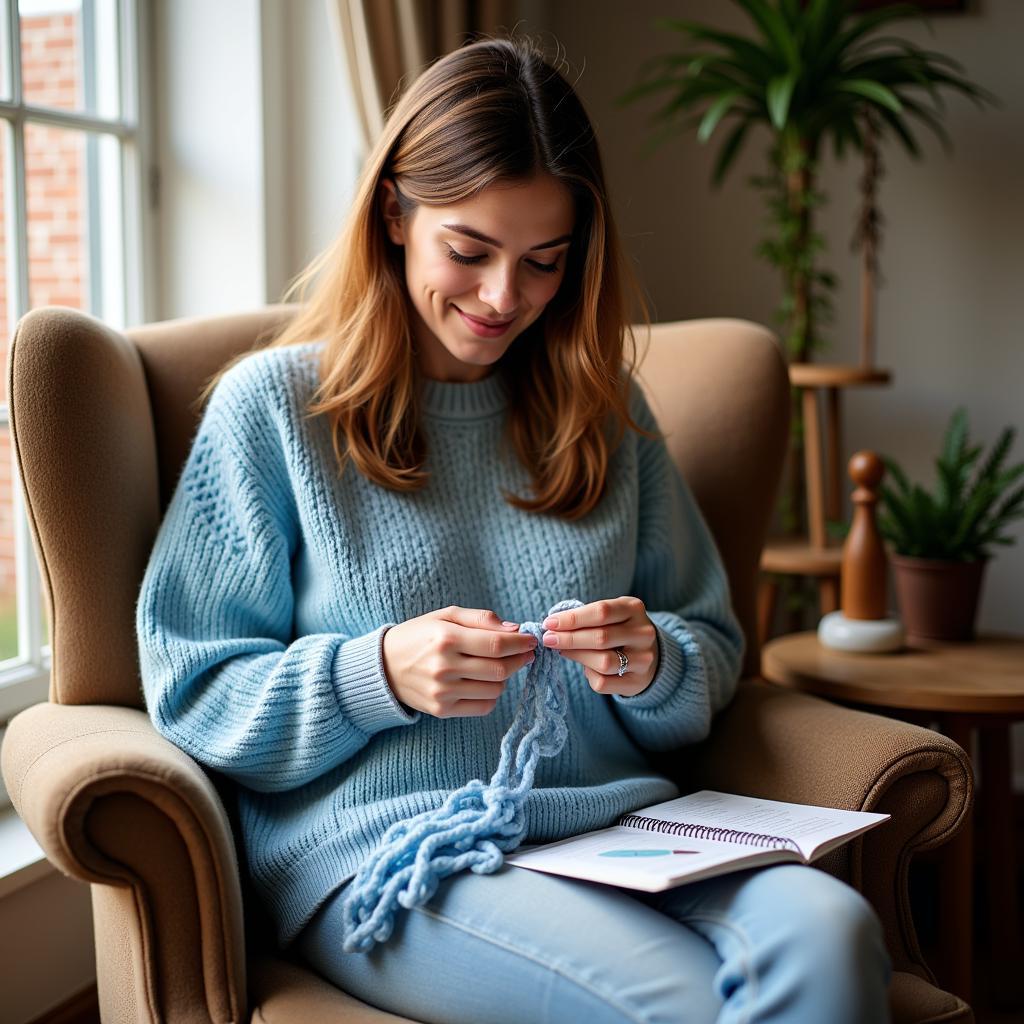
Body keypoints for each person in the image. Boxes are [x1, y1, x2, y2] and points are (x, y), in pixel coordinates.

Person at [136, 34, 892, 1024]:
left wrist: (649, 661)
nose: (503, 299)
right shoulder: (273, 410)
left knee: (834, 936)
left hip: (625, 832)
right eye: (470, 251)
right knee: (683, 1004)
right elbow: (192, 688)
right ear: (396, 212)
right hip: (397, 850)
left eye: (543, 262)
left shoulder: (604, 414)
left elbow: (710, 648)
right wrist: (377, 675)